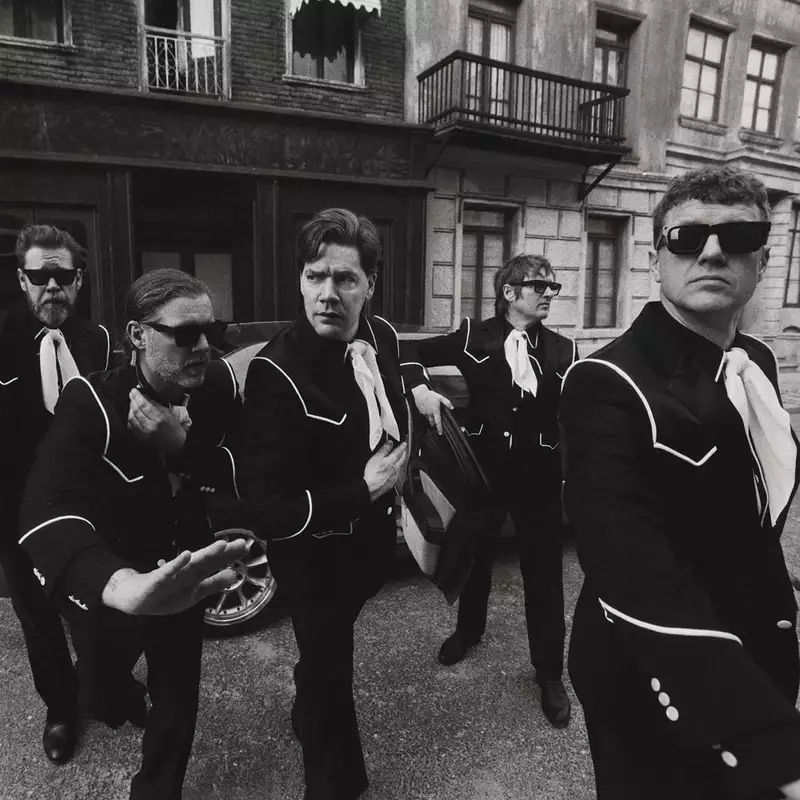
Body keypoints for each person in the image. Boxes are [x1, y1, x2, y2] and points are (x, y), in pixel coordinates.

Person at [560, 164, 800, 799]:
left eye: (738, 237)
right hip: (656, 675)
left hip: (761, 647)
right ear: (656, 256)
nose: (714, 251)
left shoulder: (757, 363)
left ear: (763, 258)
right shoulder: (605, 382)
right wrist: (769, 740)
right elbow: (631, 570)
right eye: (688, 237)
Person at [18, 268, 247, 800]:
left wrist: (182, 447)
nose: (204, 347)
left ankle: (157, 789)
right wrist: (121, 587)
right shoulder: (90, 401)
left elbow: (251, 475)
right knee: (98, 691)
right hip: (113, 585)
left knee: (179, 700)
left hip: (183, 576)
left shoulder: (216, 388)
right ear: (138, 335)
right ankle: (112, 697)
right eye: (185, 335)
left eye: (212, 330)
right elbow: (44, 506)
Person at [237, 208, 408, 800]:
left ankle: (308, 691)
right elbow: (266, 508)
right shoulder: (274, 374)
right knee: (334, 673)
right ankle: (335, 784)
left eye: (345, 279)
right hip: (313, 562)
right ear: (300, 280)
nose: (328, 294)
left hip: (368, 551)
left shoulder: (378, 335)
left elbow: (394, 383)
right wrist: (362, 491)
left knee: (324, 661)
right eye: (315, 277)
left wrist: (422, 403)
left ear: (370, 286)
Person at [400, 253, 577, 729]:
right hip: (483, 473)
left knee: (543, 576)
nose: (547, 294)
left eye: (552, 287)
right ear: (509, 292)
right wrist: (420, 389)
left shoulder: (564, 350)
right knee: (475, 557)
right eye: (539, 285)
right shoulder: (472, 337)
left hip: (539, 480)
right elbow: (405, 353)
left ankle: (549, 674)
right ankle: (468, 632)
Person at [0, 224, 112, 764]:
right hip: (15, 516)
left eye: (62, 275)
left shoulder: (100, 342)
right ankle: (61, 711)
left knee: (94, 611)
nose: (52, 286)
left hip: (87, 509)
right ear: (22, 280)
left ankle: (104, 690)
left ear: (79, 280)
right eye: (39, 276)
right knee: (39, 621)